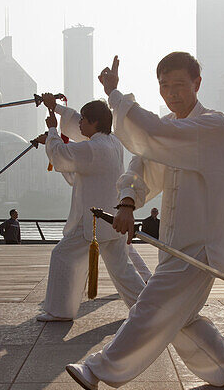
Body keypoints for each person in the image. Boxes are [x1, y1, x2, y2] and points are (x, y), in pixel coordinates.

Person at [64, 52, 224, 390]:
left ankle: (98, 369)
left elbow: (152, 132)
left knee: (150, 308)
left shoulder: (211, 126)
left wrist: (114, 95)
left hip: (201, 247)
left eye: (180, 84)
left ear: (197, 83)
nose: (172, 93)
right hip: (174, 244)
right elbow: (142, 166)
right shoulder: (175, 129)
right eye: (165, 85)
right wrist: (127, 200)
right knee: (181, 318)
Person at [34, 94, 148, 322]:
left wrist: (53, 131)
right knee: (123, 270)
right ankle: (148, 309)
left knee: (62, 256)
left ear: (94, 122)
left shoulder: (94, 148)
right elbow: (77, 136)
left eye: (84, 119)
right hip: (111, 218)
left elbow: (60, 155)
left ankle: (60, 311)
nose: (79, 123)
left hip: (92, 221)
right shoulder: (111, 142)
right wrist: (54, 107)